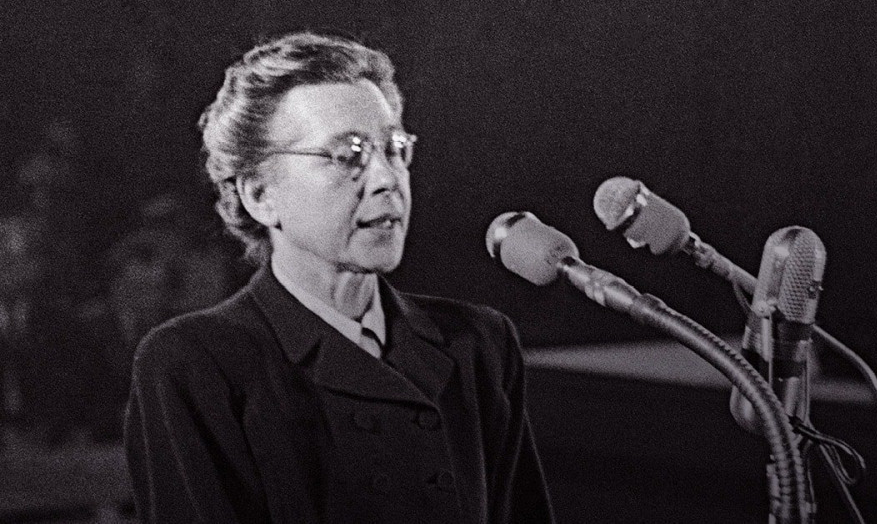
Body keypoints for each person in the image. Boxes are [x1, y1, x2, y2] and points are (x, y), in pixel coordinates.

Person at [124, 31, 555, 523]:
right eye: (348, 154)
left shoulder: (477, 343)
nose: (387, 179)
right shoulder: (197, 364)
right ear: (260, 195)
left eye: (394, 149)